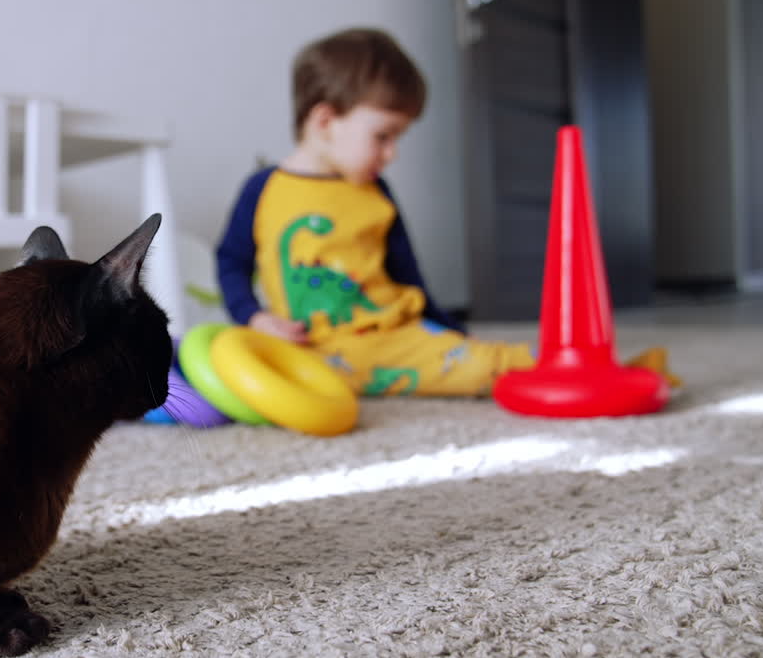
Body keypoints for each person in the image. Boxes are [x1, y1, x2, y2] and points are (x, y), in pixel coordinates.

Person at [215, 27, 535, 397]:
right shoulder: (262, 189)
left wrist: (453, 332)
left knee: (483, 364)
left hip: (389, 339)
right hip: (305, 348)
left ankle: (543, 362)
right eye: (383, 136)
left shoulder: (376, 190)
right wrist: (253, 316)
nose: (392, 153)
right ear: (325, 122)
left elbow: (408, 276)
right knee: (225, 362)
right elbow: (231, 262)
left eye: (397, 138)